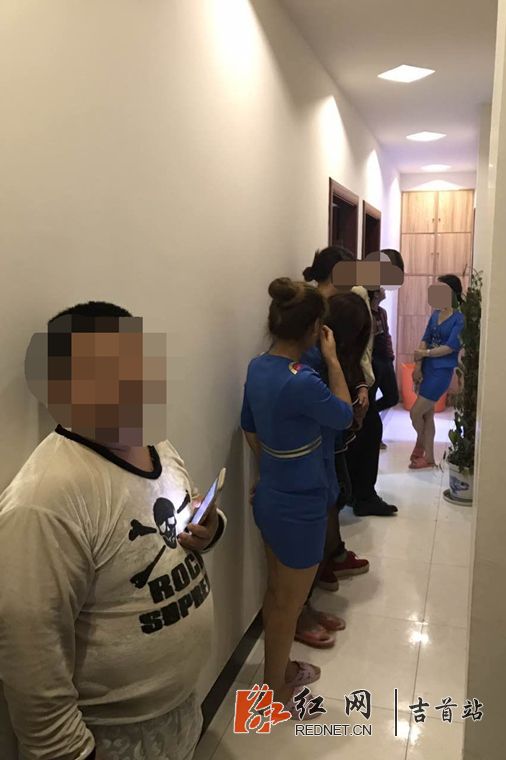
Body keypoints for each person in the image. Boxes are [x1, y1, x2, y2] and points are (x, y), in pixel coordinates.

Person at [0, 302, 227, 760]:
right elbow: (31, 660)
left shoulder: (154, 441)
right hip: (110, 739)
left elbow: (177, 517)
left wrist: (210, 529)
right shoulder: (44, 501)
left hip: (181, 711)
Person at [240, 278, 353, 714]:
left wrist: (273, 468)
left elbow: (250, 428)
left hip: (272, 496)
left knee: (277, 595)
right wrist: (333, 359)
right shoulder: (303, 381)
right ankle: (276, 690)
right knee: (289, 603)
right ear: (312, 330)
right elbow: (343, 416)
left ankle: (278, 671)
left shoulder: (258, 368)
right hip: (300, 505)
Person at [410, 275, 465, 469]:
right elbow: (425, 338)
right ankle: (429, 458)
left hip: (441, 371)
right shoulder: (435, 314)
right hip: (426, 367)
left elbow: (451, 347)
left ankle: (420, 441)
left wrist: (424, 353)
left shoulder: (459, 319)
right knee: (427, 415)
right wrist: (418, 365)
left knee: (415, 413)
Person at [369, 286, 399, 449]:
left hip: (385, 359)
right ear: (375, 294)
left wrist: (390, 354)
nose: (384, 290)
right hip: (372, 361)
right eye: (380, 288)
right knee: (371, 397)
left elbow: (386, 335)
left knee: (392, 397)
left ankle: (370, 412)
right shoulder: (366, 313)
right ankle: (374, 438)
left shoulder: (382, 312)